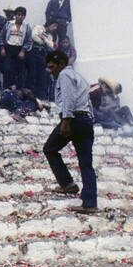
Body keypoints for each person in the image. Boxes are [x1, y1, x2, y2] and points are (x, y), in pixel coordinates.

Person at [43, 50, 98, 213]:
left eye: (52, 67)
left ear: (61, 64)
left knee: (49, 149)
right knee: (86, 163)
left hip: (74, 120)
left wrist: (66, 122)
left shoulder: (65, 76)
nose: (51, 71)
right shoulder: (79, 77)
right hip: (86, 121)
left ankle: (67, 184)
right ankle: (90, 203)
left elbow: (68, 98)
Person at [1, 6, 32, 89]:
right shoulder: (9, 24)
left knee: (20, 71)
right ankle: (6, 90)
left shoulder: (27, 27)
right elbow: (1, 37)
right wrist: (2, 48)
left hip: (19, 49)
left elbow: (29, 41)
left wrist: (23, 50)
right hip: (9, 49)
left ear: (24, 16)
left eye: (22, 15)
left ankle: (19, 91)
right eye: (18, 15)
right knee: (7, 69)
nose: (20, 17)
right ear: (15, 15)